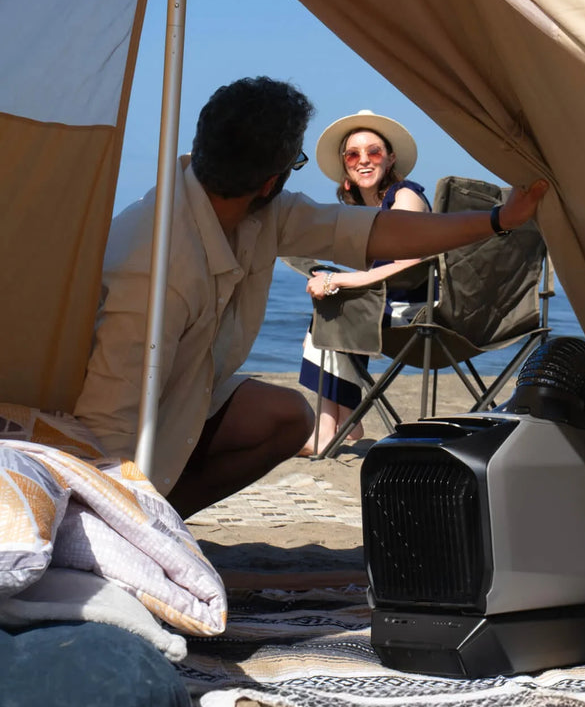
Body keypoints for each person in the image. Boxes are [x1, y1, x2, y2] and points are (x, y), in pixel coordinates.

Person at [73, 76, 549, 519]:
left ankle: (167, 519)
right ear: (268, 181)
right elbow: (106, 424)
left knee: (287, 417)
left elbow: (380, 232)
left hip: (185, 390)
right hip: (110, 426)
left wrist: (497, 220)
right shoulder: (153, 266)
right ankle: (142, 525)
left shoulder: (261, 212)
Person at [298, 110, 432, 455]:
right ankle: (340, 421)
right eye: (353, 154)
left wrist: (337, 280)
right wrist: (326, 276)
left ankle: (332, 426)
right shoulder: (364, 208)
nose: (364, 161)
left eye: (373, 152)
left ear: (390, 159)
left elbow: (410, 264)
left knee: (334, 305)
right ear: (345, 166)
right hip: (388, 302)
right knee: (330, 302)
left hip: (420, 306)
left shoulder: (405, 196)